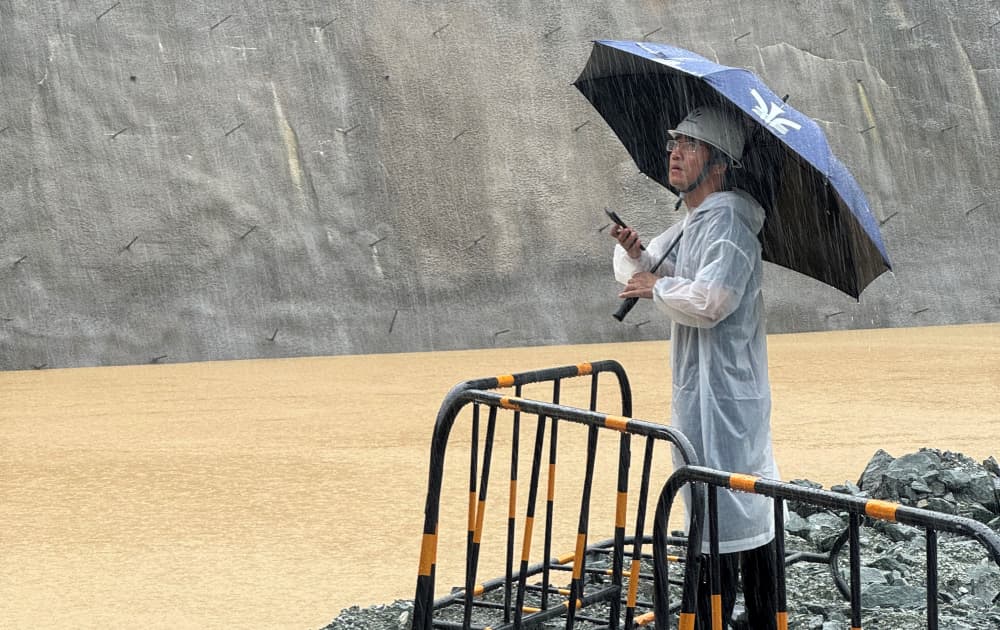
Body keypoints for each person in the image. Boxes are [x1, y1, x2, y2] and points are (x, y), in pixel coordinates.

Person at [609, 106, 780, 630]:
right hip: (702, 388)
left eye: (690, 145)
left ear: (719, 163)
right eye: (673, 143)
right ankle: (755, 614)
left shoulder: (728, 223)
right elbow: (654, 270)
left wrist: (656, 285)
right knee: (723, 499)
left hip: (726, 393)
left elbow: (712, 300)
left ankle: (725, 615)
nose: (675, 153)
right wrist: (638, 255)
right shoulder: (695, 222)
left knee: (731, 500)